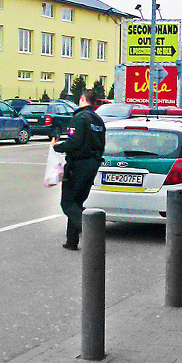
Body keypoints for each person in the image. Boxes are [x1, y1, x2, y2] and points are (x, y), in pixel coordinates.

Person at [52, 89, 106, 250]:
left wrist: (57, 147)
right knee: (77, 201)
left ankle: (91, 232)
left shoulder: (79, 118)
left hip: (78, 165)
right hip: (93, 163)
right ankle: (71, 241)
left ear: (82, 99)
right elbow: (102, 144)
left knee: (67, 202)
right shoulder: (98, 120)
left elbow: (74, 142)